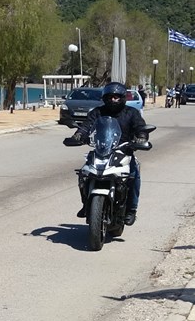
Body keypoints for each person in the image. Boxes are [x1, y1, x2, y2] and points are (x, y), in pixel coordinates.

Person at [63, 81, 149, 225]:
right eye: (110, 97)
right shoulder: (98, 112)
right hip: (101, 150)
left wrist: (141, 137)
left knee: (134, 175)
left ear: (122, 98)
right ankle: (86, 203)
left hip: (124, 151)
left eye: (116, 97)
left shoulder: (131, 113)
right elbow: (86, 125)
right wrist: (78, 135)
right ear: (105, 98)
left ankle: (131, 210)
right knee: (84, 174)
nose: (113, 99)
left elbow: (140, 127)